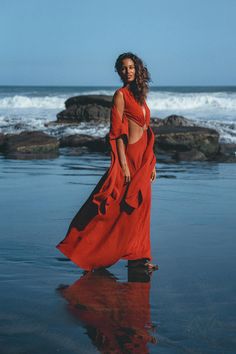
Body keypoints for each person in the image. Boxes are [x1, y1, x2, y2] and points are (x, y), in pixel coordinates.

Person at [56, 52, 158, 272]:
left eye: (131, 67)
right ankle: (84, 250)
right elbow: (117, 133)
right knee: (113, 208)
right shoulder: (120, 95)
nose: (127, 71)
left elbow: (147, 130)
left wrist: (153, 163)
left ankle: (139, 258)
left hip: (144, 159)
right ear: (118, 71)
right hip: (129, 157)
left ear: (137, 69)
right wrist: (122, 164)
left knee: (142, 207)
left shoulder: (141, 96)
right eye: (123, 68)